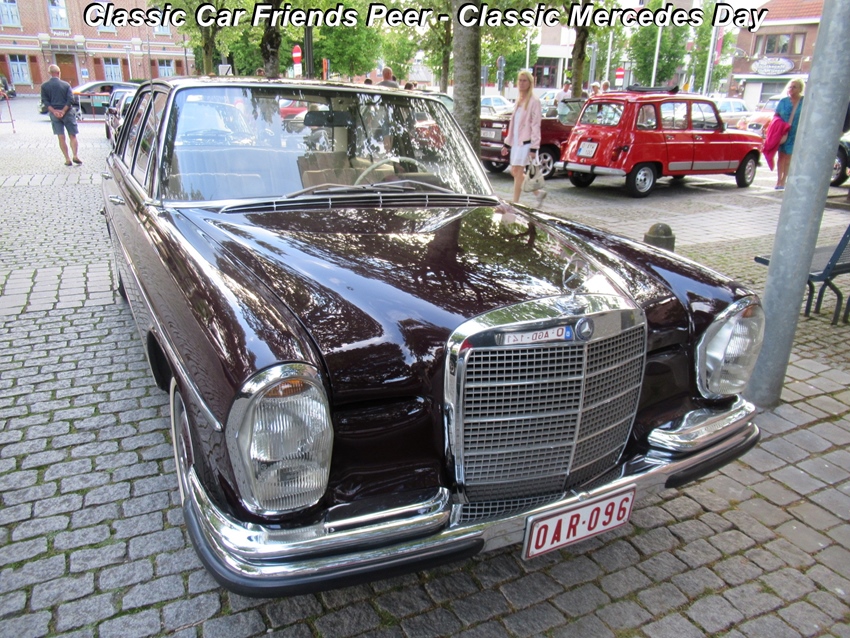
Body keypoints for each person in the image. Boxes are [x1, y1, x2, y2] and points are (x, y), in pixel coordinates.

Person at [501, 70, 545, 207]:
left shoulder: (534, 101)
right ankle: (538, 193)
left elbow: (536, 125)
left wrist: (534, 147)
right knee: (515, 172)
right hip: (516, 142)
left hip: (526, 143)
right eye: (520, 80)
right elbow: (514, 124)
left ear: (530, 83)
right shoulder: (519, 100)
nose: (521, 83)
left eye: (524, 80)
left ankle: (515, 203)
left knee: (518, 171)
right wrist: (507, 144)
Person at [40, 64, 81, 167]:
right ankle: (75, 155)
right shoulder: (66, 85)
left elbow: (45, 101)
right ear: (58, 73)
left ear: (49, 73)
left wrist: (54, 111)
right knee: (72, 135)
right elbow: (70, 100)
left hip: (54, 114)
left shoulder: (44, 86)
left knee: (61, 136)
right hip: (67, 113)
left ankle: (67, 159)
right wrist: (63, 111)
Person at [774, 78, 805, 191]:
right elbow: (776, 116)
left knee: (789, 157)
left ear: (800, 89)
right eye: (790, 87)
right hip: (783, 133)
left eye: (794, 87)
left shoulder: (804, 102)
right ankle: (779, 179)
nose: (791, 89)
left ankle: (784, 179)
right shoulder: (783, 101)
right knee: (781, 156)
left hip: (795, 133)